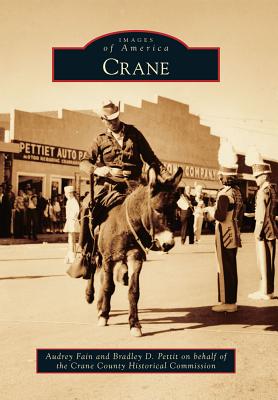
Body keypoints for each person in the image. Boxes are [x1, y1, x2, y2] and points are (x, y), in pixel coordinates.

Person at [76, 99, 171, 281]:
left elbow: (151, 158)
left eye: (116, 117)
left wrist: (167, 178)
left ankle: (150, 243)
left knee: (153, 209)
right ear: (103, 120)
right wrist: (96, 169)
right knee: (86, 206)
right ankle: (83, 252)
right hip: (108, 186)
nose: (114, 122)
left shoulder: (134, 134)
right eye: (109, 119)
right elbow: (84, 162)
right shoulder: (100, 140)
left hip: (134, 187)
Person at [212, 141, 243, 313]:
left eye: (220, 174)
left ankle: (227, 302)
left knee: (224, 267)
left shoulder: (224, 194)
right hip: (234, 232)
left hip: (223, 233)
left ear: (224, 176)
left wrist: (211, 212)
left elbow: (220, 216)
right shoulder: (237, 192)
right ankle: (232, 299)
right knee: (232, 267)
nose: (219, 177)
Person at [246, 148, 278, 300]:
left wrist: (257, 231)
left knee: (263, 261)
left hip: (263, 230)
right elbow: (269, 211)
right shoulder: (272, 190)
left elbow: (262, 215)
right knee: (270, 261)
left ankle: (264, 291)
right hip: (272, 228)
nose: (256, 179)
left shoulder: (262, 191)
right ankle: (269, 290)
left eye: (258, 176)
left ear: (264, 175)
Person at [63, 186, 80, 263]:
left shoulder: (73, 201)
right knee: (70, 238)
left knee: (72, 239)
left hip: (72, 221)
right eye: (66, 193)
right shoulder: (69, 201)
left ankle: (72, 254)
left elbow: (76, 211)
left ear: (71, 193)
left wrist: (73, 218)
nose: (67, 195)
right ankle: (69, 254)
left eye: (68, 193)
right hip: (69, 220)